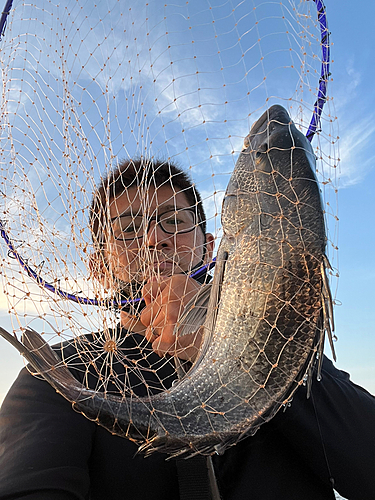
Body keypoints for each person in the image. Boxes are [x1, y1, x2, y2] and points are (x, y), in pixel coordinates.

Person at [0, 158, 374, 500]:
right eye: (128, 229)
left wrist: (241, 347)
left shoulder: (287, 353)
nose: (153, 239)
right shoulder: (56, 374)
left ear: (210, 249)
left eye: (174, 222)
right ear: (99, 267)